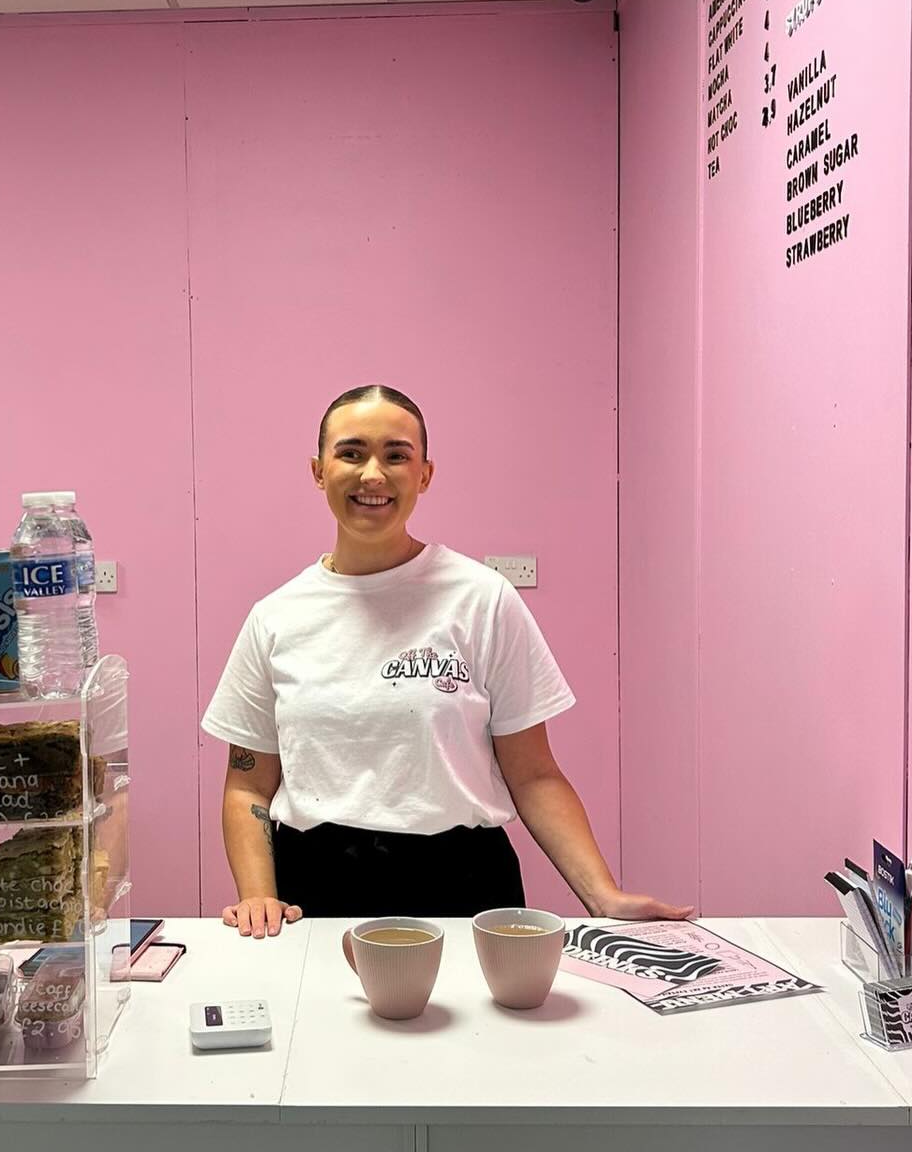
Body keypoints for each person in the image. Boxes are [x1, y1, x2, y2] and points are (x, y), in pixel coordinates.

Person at [201, 384, 693, 937]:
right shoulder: (275, 618)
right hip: (317, 891)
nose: (373, 474)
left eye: (396, 455)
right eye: (351, 452)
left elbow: (533, 774)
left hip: (464, 886)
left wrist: (603, 897)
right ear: (318, 471)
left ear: (425, 474)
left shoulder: (482, 599)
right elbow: (247, 785)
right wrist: (259, 897)